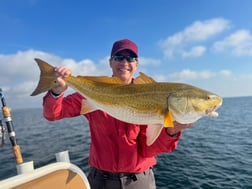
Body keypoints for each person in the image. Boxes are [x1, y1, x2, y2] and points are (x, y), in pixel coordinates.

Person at [43, 39, 194, 189]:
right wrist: (56, 91)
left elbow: (149, 149)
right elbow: (52, 114)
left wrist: (171, 131)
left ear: (137, 64)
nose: (124, 62)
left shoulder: (151, 94)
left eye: (130, 58)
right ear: (110, 62)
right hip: (100, 180)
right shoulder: (94, 90)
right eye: (119, 57)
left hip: (138, 180)